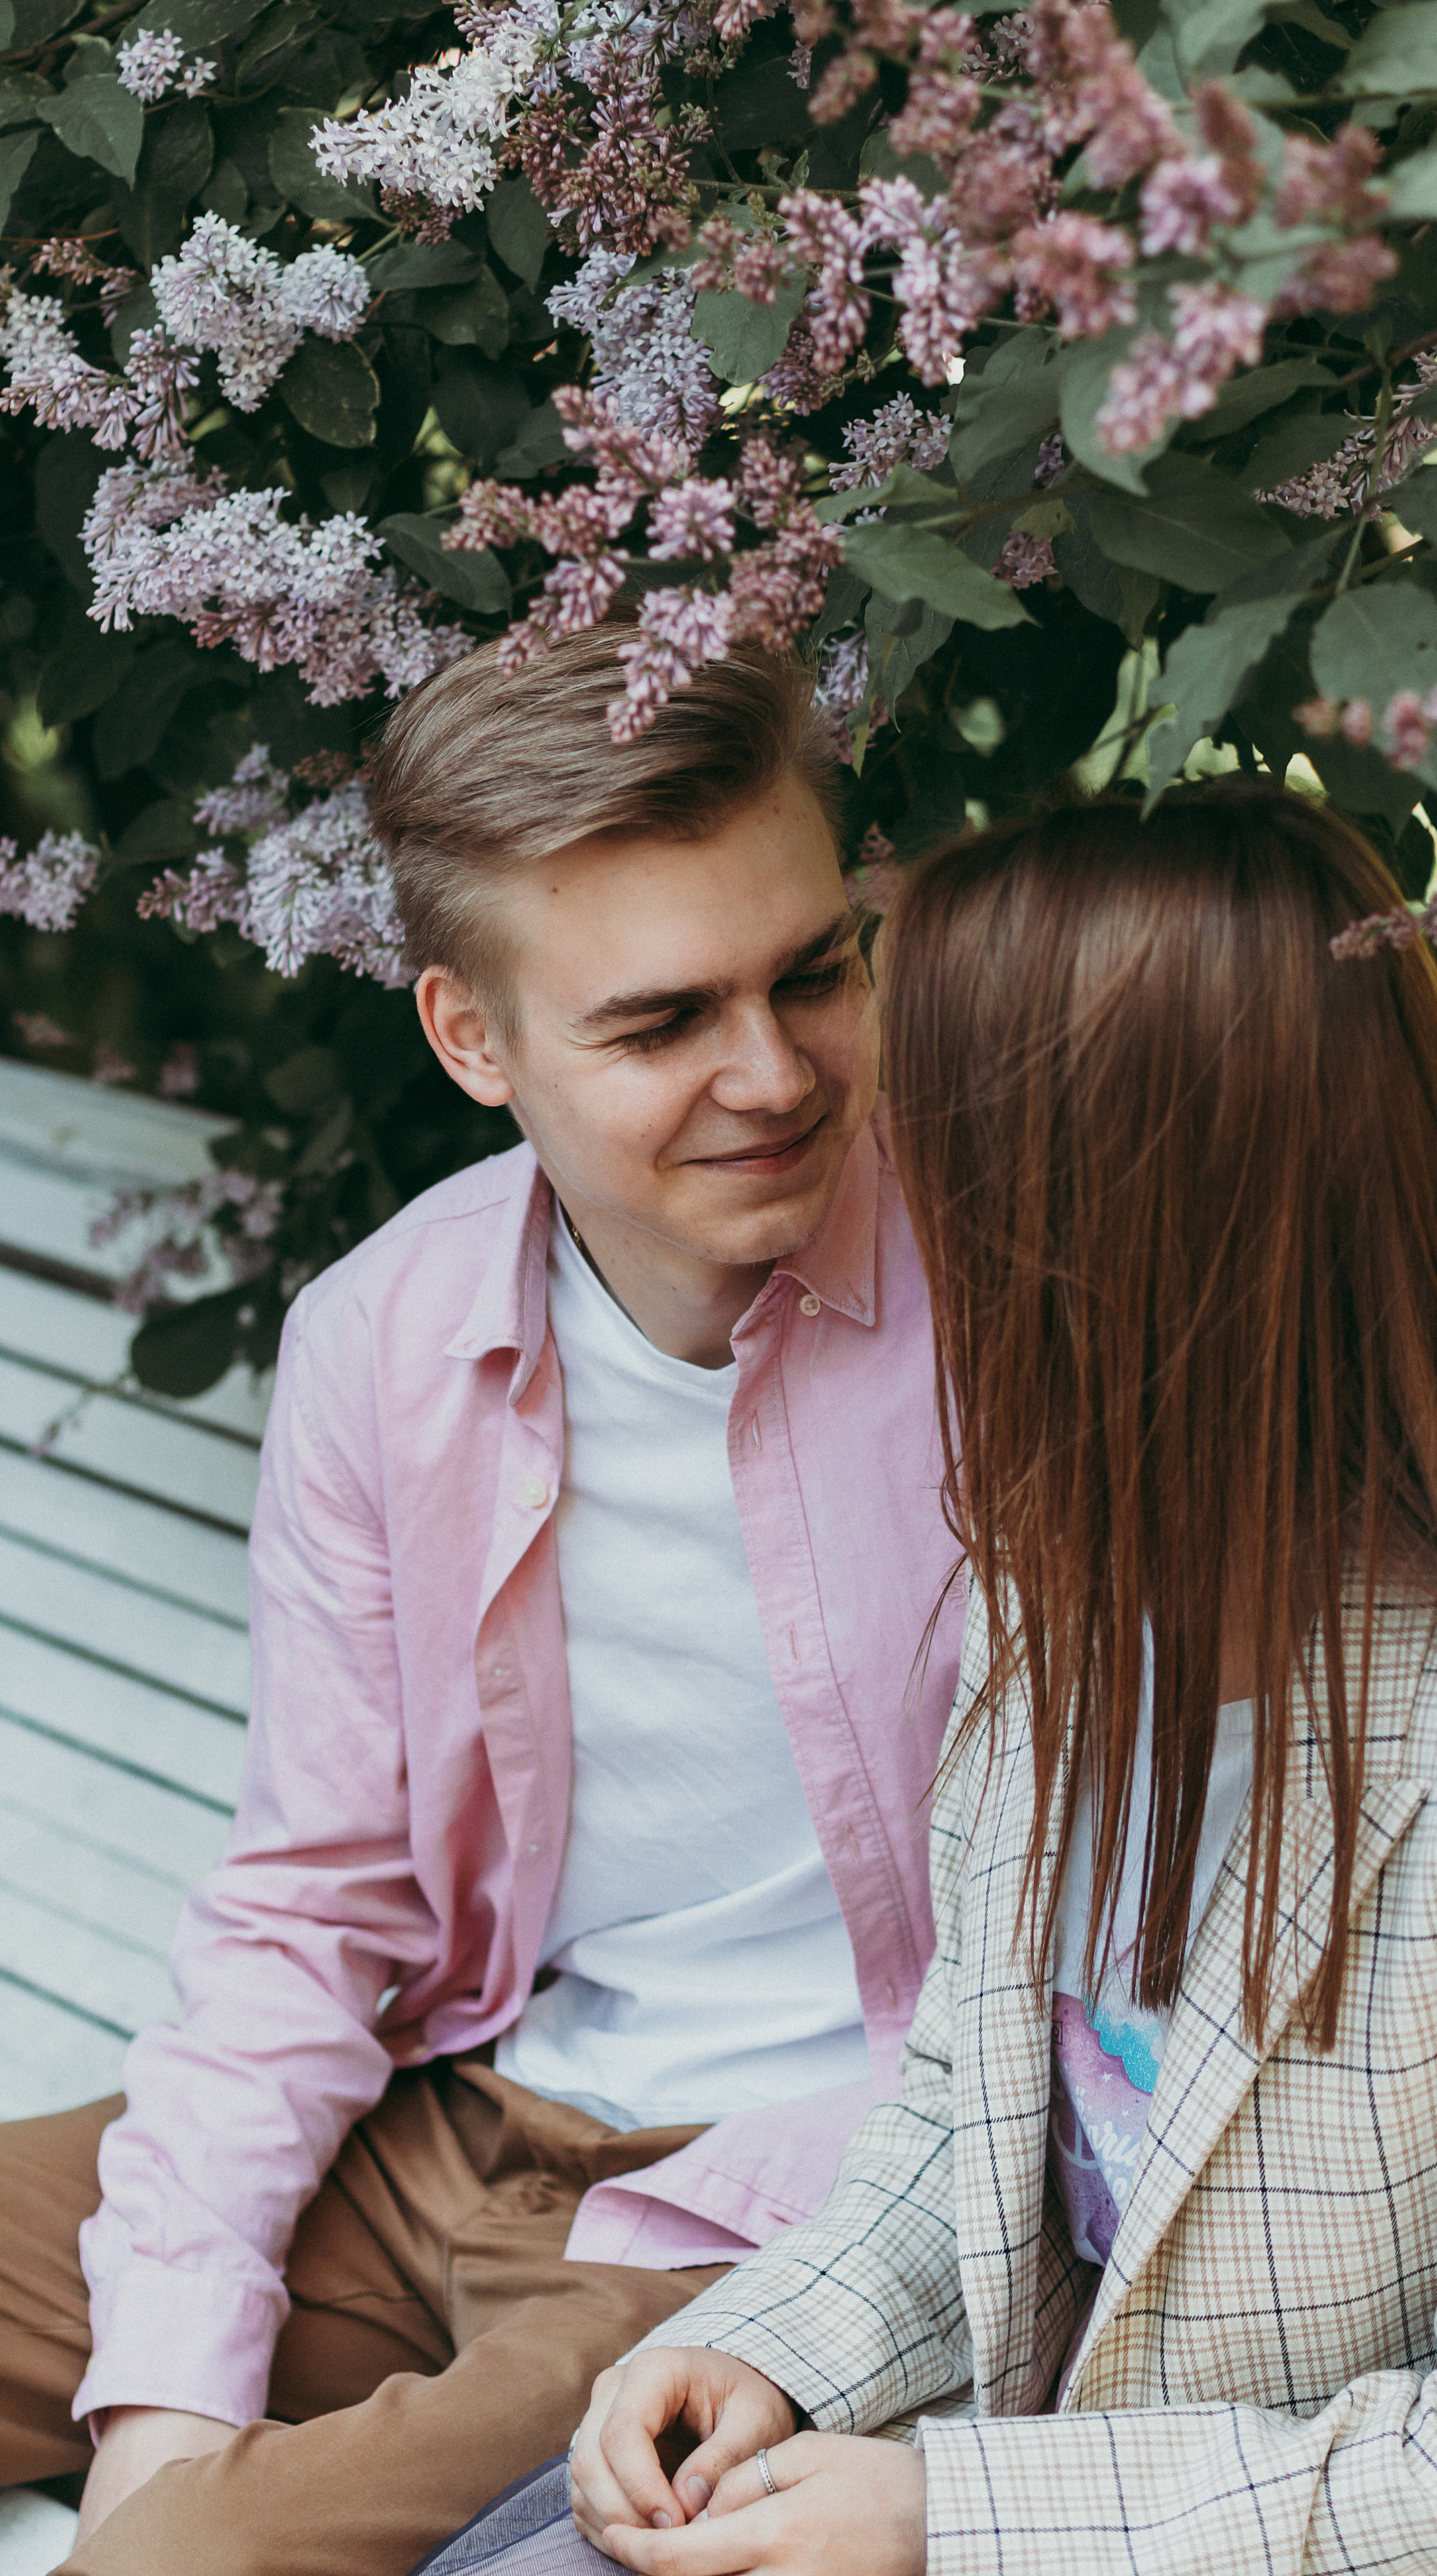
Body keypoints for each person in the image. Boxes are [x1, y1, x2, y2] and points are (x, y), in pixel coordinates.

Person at [541, 783, 1437, 2576]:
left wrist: (955, 2517)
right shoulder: (1056, 1610)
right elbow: (967, 2121)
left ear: (1097, 1229)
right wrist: (766, 2349)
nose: (888, 1203)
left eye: (934, 1153)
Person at [0, 627, 967, 2575]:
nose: (775, 1075)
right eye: (662, 1022)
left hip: (784, 2217)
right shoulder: (391, 1338)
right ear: (471, 1040)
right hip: (465, 2115)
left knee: (178, 2571)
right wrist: (164, 2391)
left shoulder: (1036, 1267)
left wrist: (165, 2516)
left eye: (813, 972)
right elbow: (315, 1901)